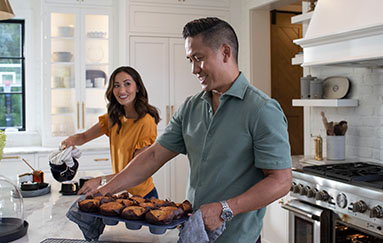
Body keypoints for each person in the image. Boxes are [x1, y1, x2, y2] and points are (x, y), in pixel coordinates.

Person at [80, 17, 292, 242]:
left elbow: (281, 180)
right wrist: (106, 190)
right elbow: (152, 155)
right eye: (190, 60)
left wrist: (225, 209)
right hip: (193, 233)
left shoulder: (262, 110)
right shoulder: (191, 107)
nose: (193, 69)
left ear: (226, 53)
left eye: (199, 59)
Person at [61, 66, 160, 199]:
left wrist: (99, 181)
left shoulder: (146, 122)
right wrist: (69, 141)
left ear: (138, 88)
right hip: (123, 192)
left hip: (143, 196)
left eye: (127, 84)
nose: (121, 90)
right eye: (116, 85)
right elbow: (84, 137)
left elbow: (136, 171)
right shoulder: (114, 118)